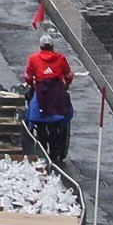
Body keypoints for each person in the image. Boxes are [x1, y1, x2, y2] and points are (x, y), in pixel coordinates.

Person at [22, 32, 74, 160]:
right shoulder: (61, 59)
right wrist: (66, 85)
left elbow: (28, 77)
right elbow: (68, 75)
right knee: (56, 124)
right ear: (52, 47)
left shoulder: (33, 58)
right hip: (57, 96)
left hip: (41, 94)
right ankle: (55, 154)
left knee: (39, 123)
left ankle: (42, 151)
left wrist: (32, 84)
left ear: (40, 47)